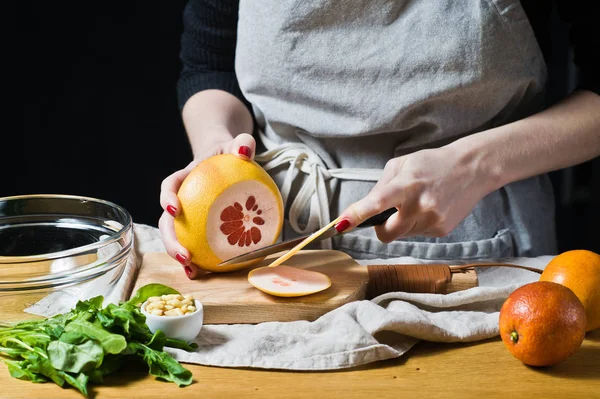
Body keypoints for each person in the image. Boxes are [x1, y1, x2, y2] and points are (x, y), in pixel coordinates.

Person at [160, 0, 600, 279]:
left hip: (480, 259)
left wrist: (477, 165)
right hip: (272, 249)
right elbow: (209, 63)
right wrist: (215, 162)